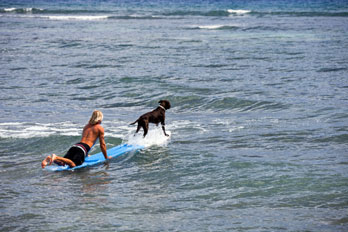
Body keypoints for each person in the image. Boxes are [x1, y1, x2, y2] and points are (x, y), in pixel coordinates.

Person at [41, 110, 111, 168]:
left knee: (63, 163)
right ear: (99, 119)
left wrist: (85, 154)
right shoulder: (100, 128)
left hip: (76, 146)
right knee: (73, 164)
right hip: (82, 149)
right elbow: (102, 145)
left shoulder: (86, 126)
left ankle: (50, 158)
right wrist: (106, 157)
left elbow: (86, 141)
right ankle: (56, 157)